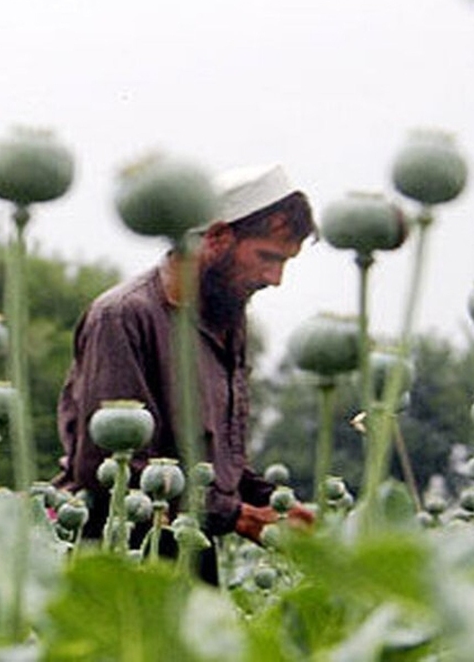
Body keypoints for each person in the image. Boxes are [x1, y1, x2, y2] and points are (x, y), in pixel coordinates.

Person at [55, 163, 315, 577]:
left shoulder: (226, 316)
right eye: (267, 257)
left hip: (193, 545)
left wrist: (271, 500)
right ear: (217, 237)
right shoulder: (123, 315)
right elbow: (107, 466)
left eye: (285, 262)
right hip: (120, 551)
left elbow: (215, 457)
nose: (275, 279)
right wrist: (238, 516)